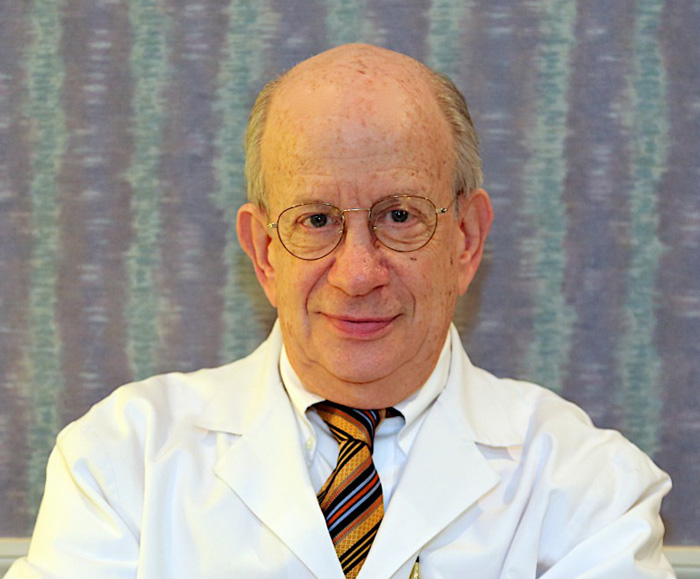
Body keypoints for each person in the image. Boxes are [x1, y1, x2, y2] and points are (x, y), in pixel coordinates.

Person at [8, 44, 674, 578]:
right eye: (317, 219)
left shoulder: (589, 488)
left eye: (400, 215)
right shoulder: (121, 462)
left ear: (466, 240)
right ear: (265, 252)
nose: (358, 273)